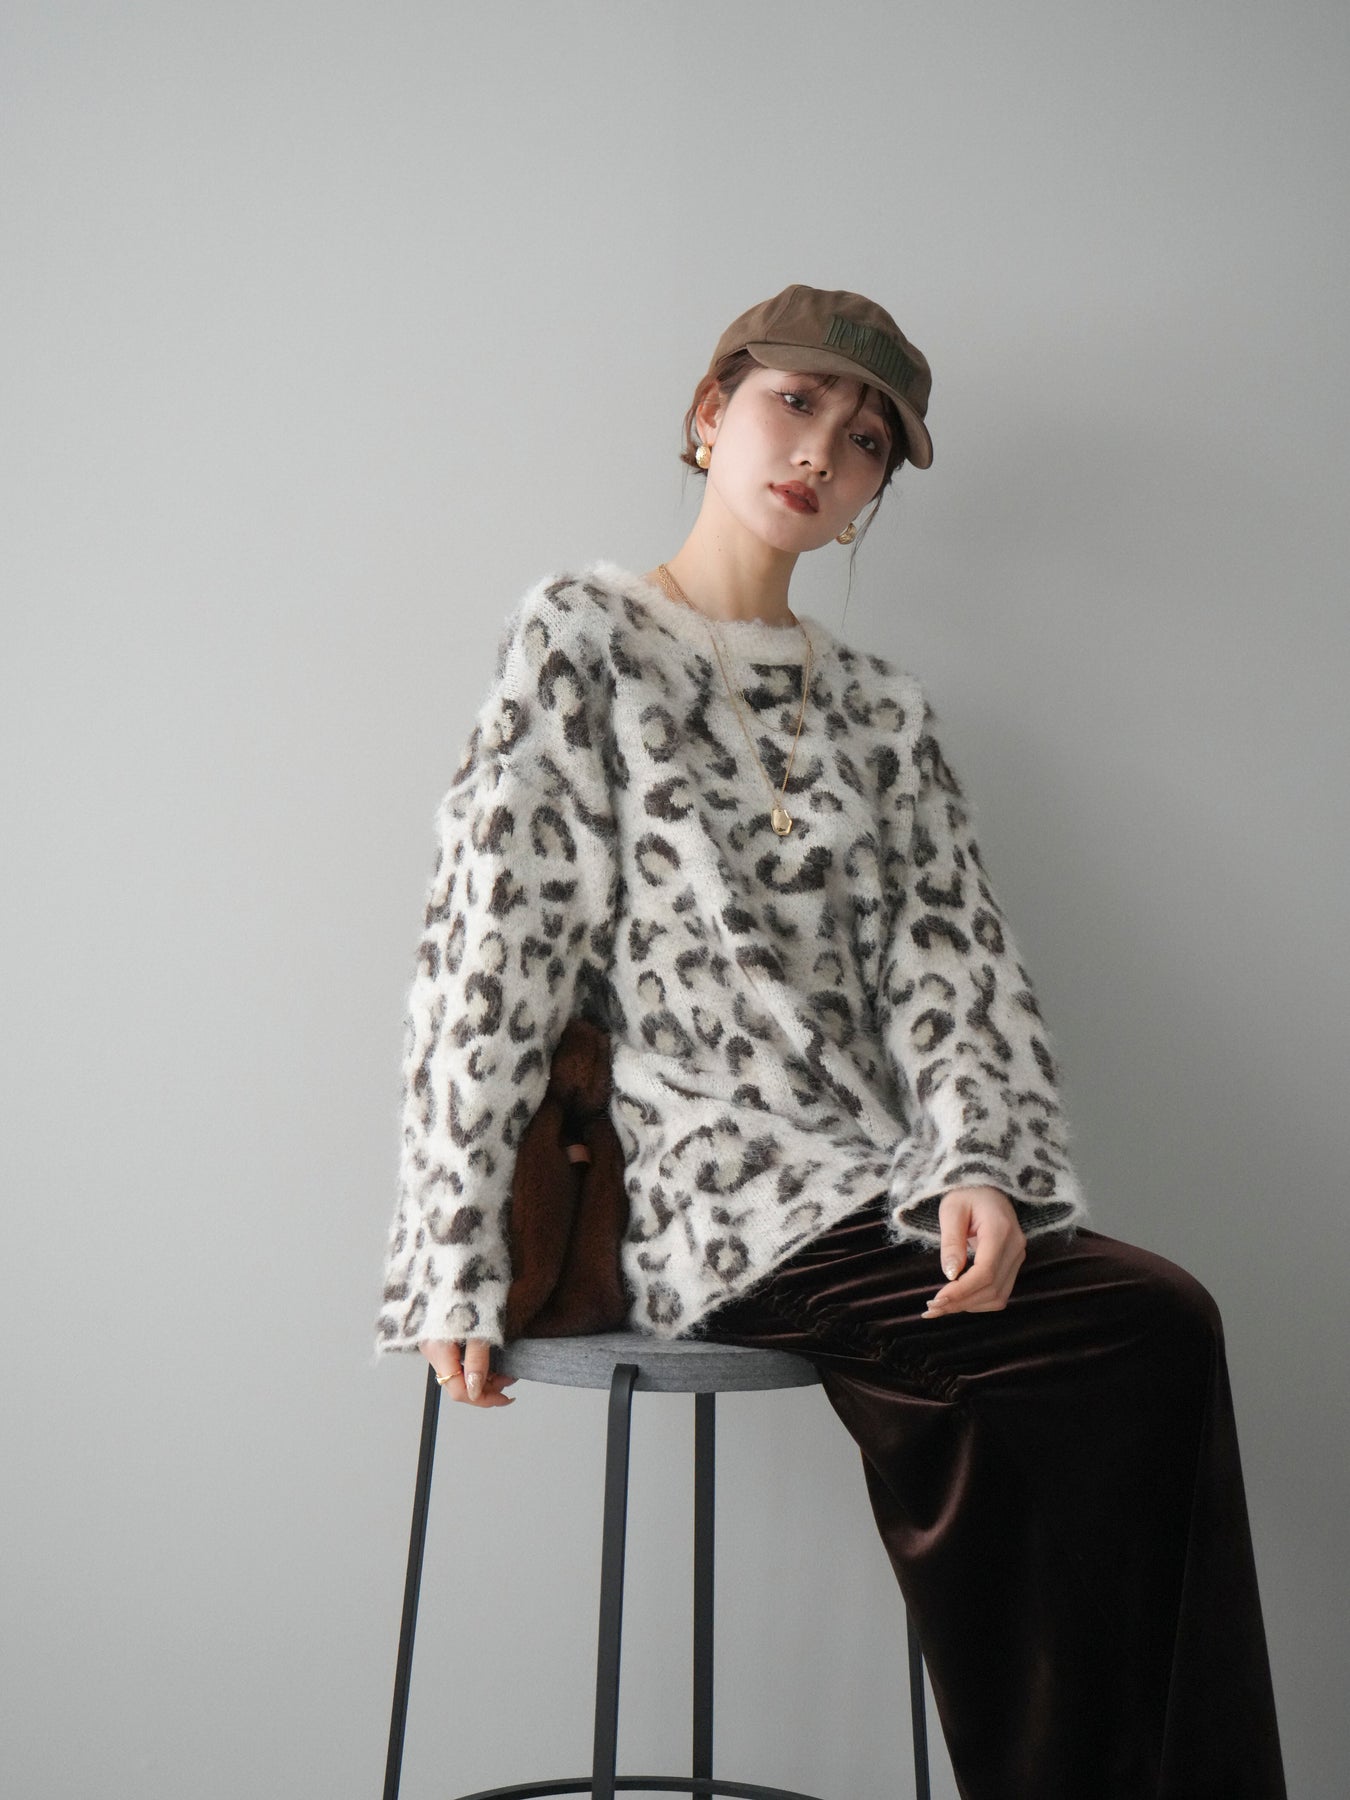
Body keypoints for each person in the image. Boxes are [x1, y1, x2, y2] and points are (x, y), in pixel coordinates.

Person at [376, 284, 1286, 1798]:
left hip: (861, 1183)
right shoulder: (585, 642)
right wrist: (448, 1251)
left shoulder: (879, 714)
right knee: (1134, 1336)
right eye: (794, 404)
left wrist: (975, 1167)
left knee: (1106, 1352)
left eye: (863, 441)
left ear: (874, 490)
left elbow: (954, 968)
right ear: (710, 413)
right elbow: (491, 955)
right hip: (685, 1186)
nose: (820, 452)